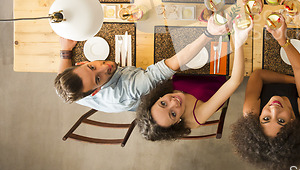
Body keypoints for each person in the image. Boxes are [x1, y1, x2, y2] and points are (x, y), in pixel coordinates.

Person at [54, 16, 228, 113]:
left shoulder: (75, 90)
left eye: (91, 67)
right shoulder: (133, 87)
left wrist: (65, 51)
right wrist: (209, 33)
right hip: (163, 93)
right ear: (96, 90)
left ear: (82, 62)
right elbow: (174, 64)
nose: (104, 68)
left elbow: (61, 77)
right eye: (98, 78)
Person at [230, 15, 300, 170]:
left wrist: (296, 81)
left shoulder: (250, 113)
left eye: (266, 119)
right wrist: (282, 40)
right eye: (281, 120)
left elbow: (258, 75)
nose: (273, 109)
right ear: (293, 122)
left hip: (277, 71)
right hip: (297, 66)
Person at [136, 20, 252, 141]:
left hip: (195, 52)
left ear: (156, 99)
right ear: (177, 123)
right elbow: (235, 81)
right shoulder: (196, 117)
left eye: (163, 104)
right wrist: (238, 41)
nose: (174, 103)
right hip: (219, 63)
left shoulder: (158, 91)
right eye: (173, 114)